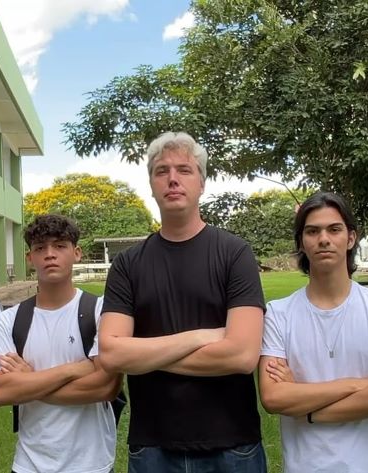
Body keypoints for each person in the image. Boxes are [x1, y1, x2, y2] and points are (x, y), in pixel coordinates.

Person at [98, 131, 267, 472]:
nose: (172, 179)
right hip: (153, 447)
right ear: (151, 184)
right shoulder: (128, 265)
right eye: (162, 171)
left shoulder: (235, 254)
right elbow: (112, 354)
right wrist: (202, 336)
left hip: (232, 446)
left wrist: (142, 355)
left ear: (202, 183)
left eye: (184, 170)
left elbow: (243, 355)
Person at [259, 191, 368, 473]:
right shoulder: (278, 314)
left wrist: (307, 411)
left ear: (351, 238)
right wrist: (358, 384)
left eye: (334, 229)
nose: (324, 239)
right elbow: (274, 398)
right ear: (302, 243)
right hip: (306, 466)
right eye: (312, 231)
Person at [0, 214, 120, 473]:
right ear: (29, 258)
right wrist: (74, 369)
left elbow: (106, 386)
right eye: (40, 248)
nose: (49, 254)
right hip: (30, 464)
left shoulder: (101, 312)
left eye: (59, 246)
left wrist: (28, 380)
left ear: (76, 253)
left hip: (92, 465)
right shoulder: (8, 321)